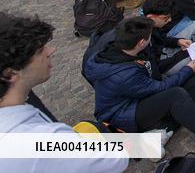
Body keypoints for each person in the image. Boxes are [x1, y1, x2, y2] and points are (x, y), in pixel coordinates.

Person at [84, 17, 195, 156]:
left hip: (137, 96)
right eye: (148, 37)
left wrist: (176, 42)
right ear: (141, 42)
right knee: (176, 95)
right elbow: (160, 88)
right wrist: (187, 69)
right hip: (123, 114)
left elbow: (155, 53)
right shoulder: (124, 74)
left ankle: (163, 130)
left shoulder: (123, 45)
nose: (151, 38)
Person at [0, 12, 127, 173]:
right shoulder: (42, 141)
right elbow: (113, 159)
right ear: (10, 74)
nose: (51, 50)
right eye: (39, 51)